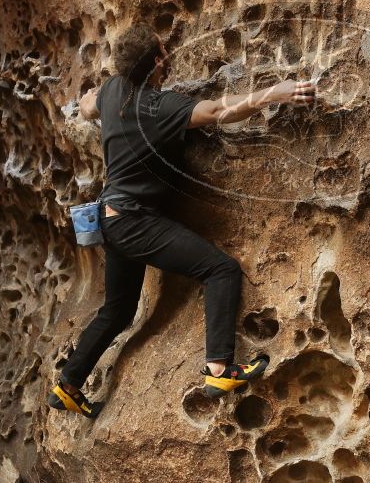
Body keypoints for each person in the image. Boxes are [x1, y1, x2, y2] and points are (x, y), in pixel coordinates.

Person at [47, 24, 316, 418]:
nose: (168, 51)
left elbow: (87, 106)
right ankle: (221, 369)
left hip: (109, 219)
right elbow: (217, 110)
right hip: (134, 222)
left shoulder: (111, 92)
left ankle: (68, 385)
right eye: (163, 48)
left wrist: (89, 101)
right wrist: (273, 93)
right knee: (220, 269)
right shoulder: (161, 107)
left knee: (119, 311)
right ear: (157, 61)